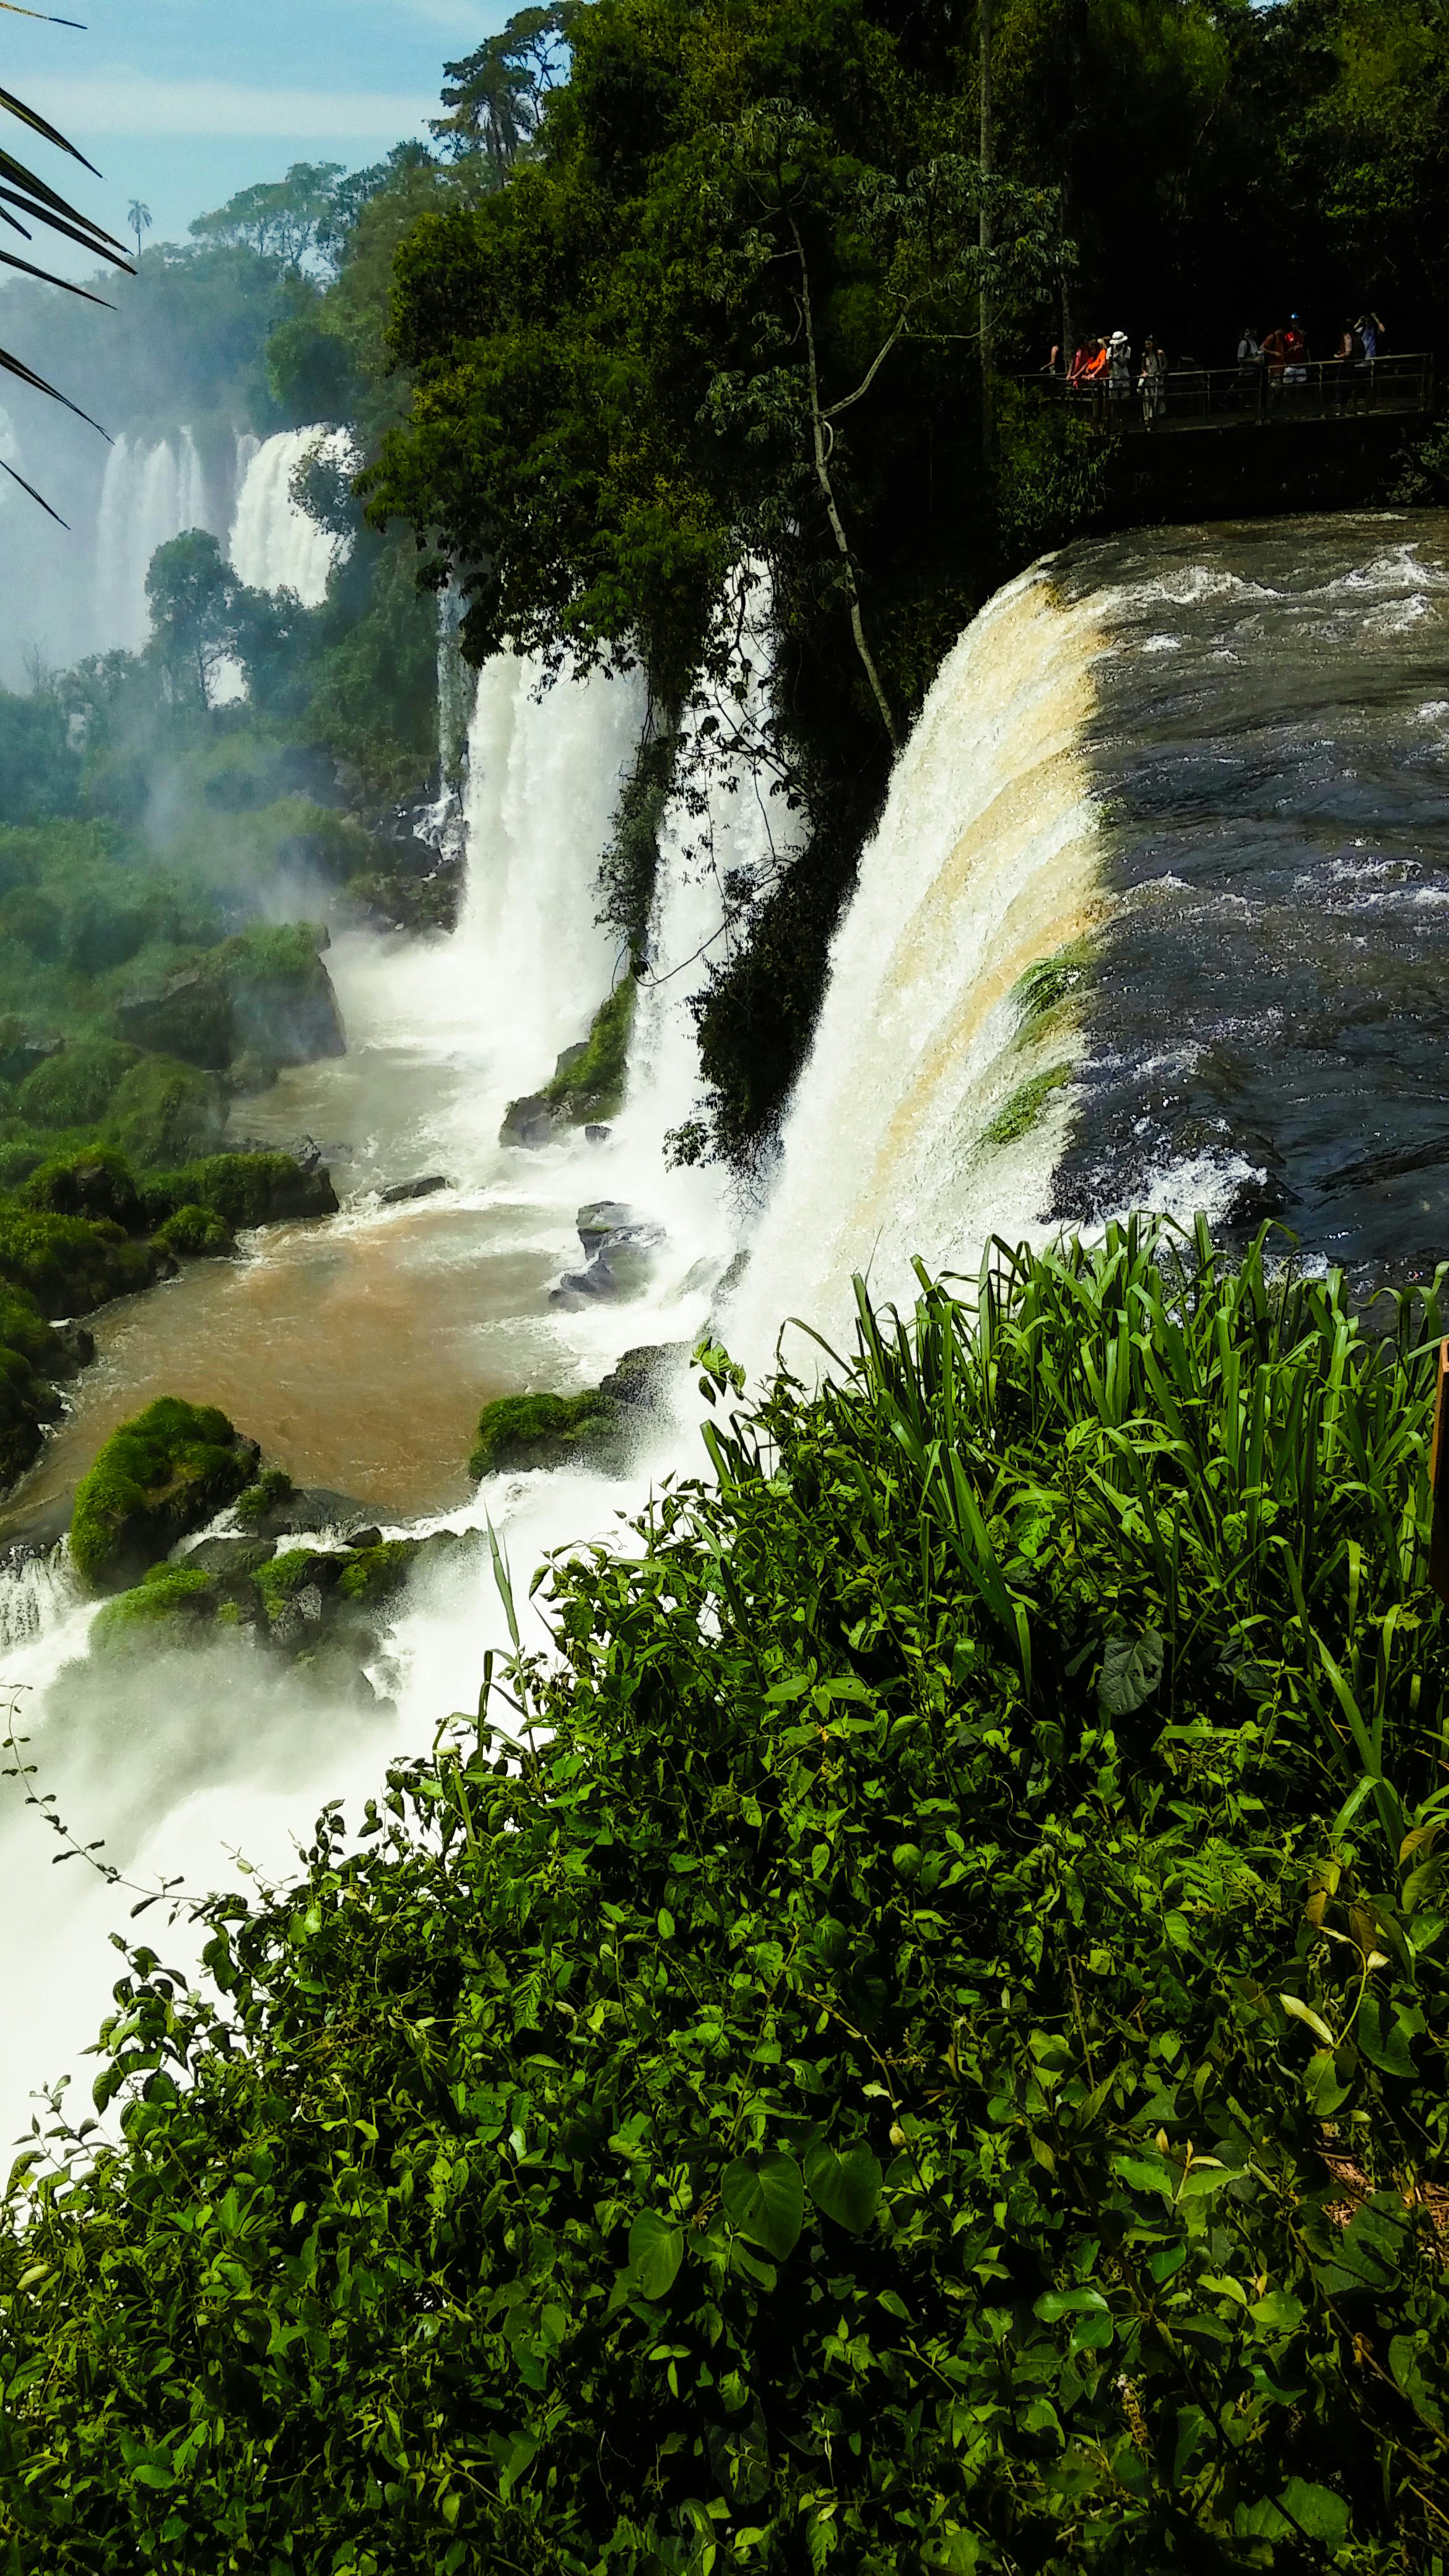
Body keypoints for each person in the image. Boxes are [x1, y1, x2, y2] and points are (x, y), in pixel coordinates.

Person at [1336, 315, 1367, 407]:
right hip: (1353, 365)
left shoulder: (1347, 336)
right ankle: (1351, 406)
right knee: (1351, 386)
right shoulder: (1354, 334)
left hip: (1347, 365)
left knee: (1342, 386)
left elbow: (1348, 352)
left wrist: (1338, 356)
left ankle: (1343, 407)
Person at [1138, 334, 1167, 427]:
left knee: (1158, 399)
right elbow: (1143, 368)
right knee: (1148, 400)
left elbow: (1165, 363)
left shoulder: (1160, 353)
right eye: (1146, 344)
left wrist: (1160, 371)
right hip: (1149, 380)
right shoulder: (1144, 355)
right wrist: (1144, 373)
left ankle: (1158, 419)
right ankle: (1148, 420)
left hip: (1157, 379)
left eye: (1149, 344)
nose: (1147, 346)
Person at [1282, 313, 1309, 386]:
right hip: (1290, 366)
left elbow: (1306, 349)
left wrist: (1309, 361)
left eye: (1297, 323)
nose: (1295, 325)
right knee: (1288, 387)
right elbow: (1283, 351)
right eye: (1293, 323)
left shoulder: (1302, 335)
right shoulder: (1287, 336)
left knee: (1300, 387)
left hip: (1301, 365)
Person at [1107, 328, 1132, 403]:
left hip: (1124, 377)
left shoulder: (1127, 349)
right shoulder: (1110, 350)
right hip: (1114, 378)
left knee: (1125, 400)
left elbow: (1124, 364)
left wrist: (1117, 359)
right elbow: (1108, 366)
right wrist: (1111, 359)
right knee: (1113, 400)